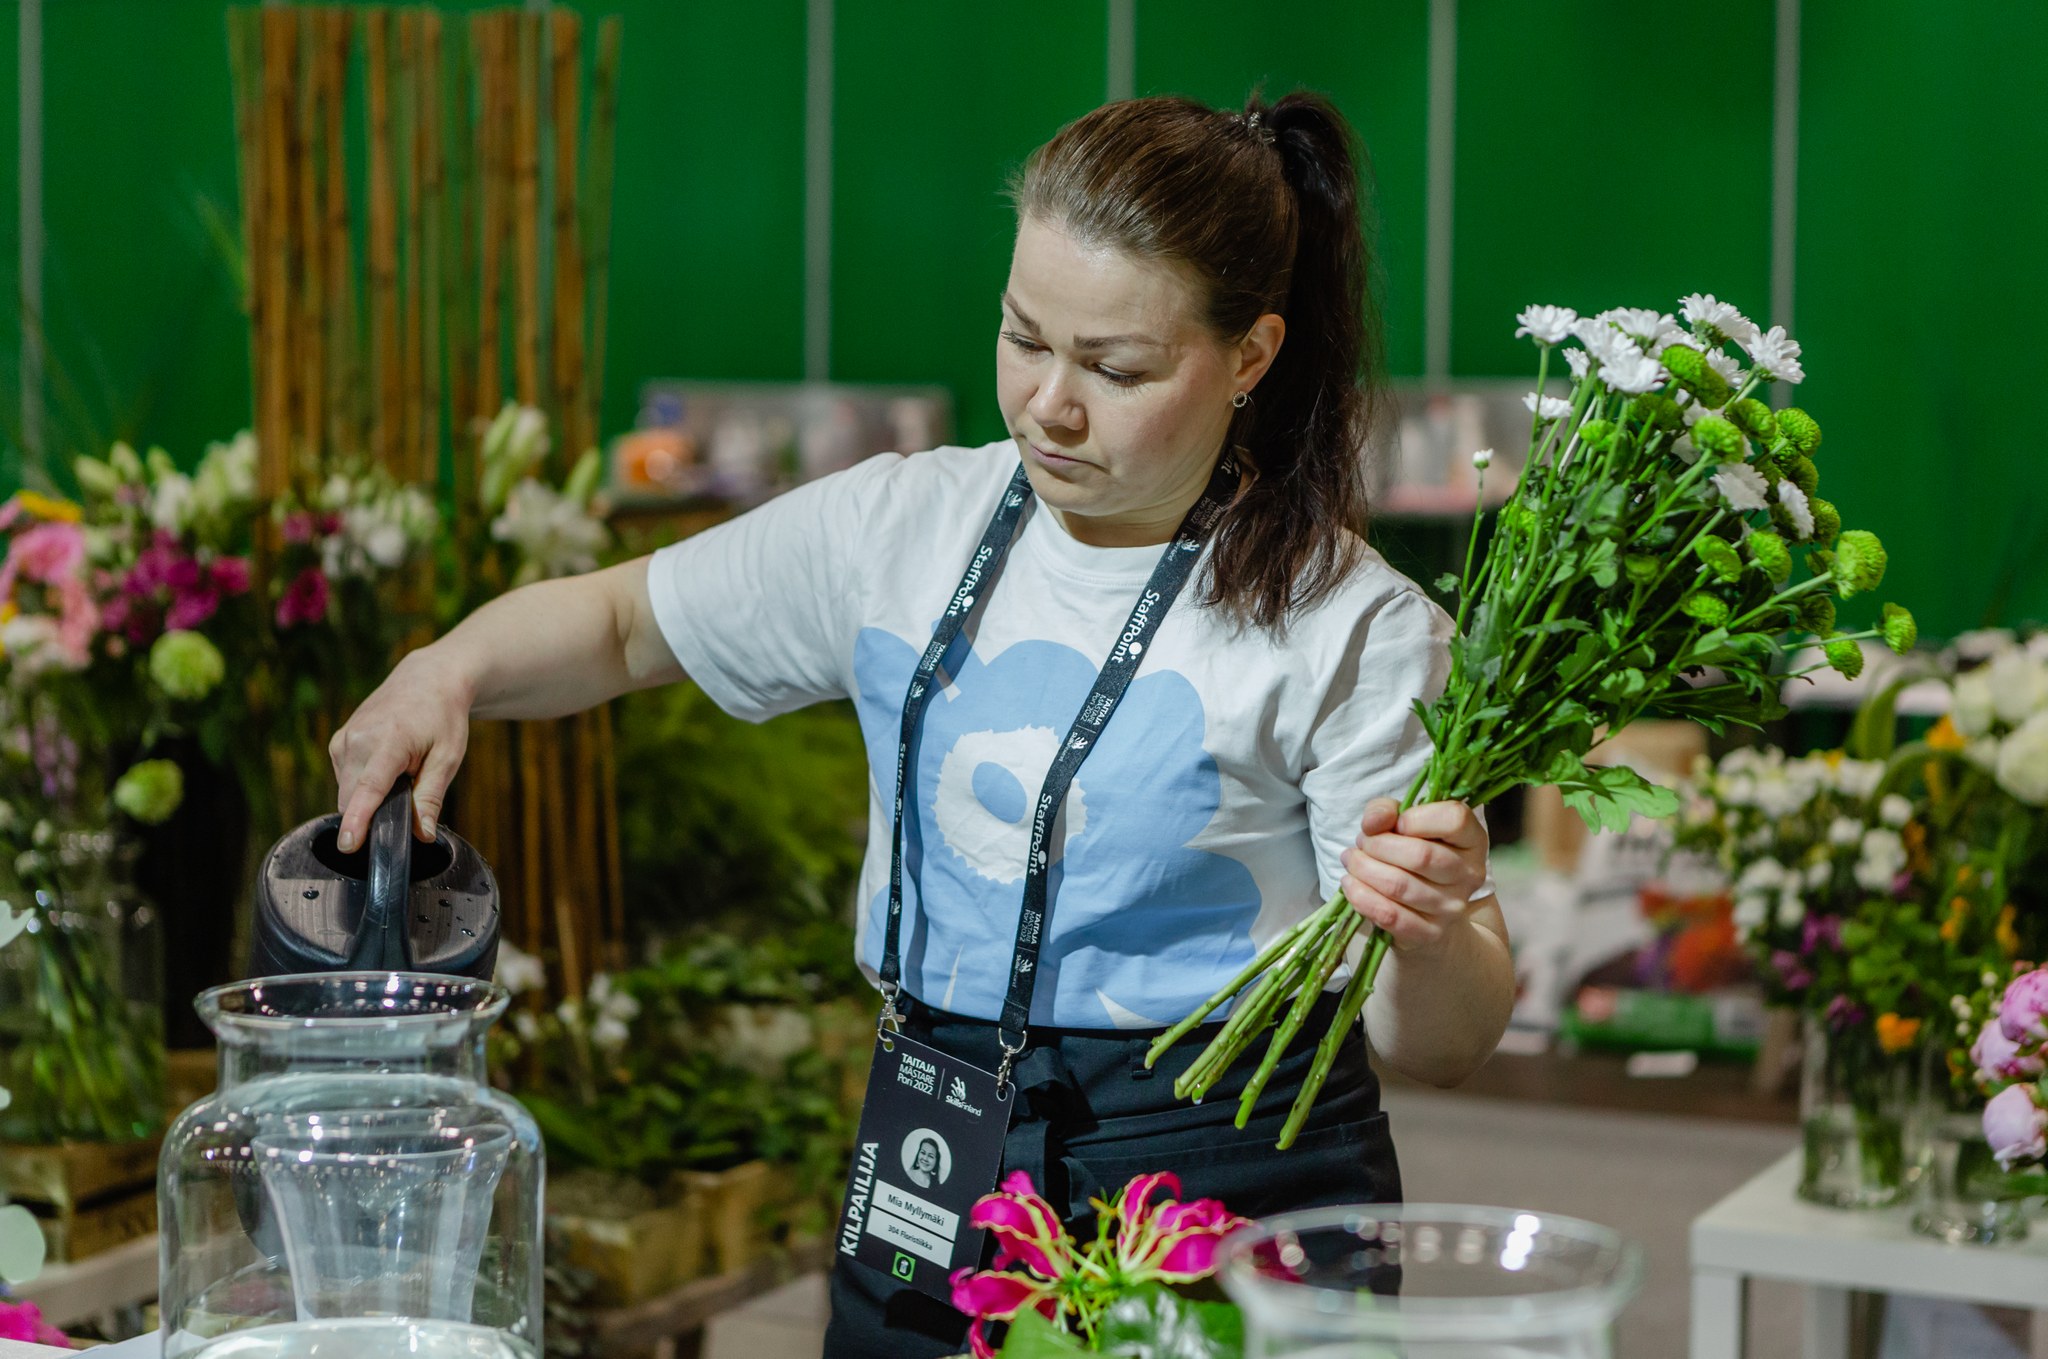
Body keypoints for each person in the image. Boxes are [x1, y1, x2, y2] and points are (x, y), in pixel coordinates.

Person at [329, 90, 1514, 1358]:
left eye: (1114, 369)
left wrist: (1431, 927)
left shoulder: (1350, 625)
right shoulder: (903, 526)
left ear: (1251, 356)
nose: (1051, 404)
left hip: (1218, 1169)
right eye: (1022, 338)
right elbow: (625, 625)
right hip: (938, 1133)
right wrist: (442, 670)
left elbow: (1438, 1039)